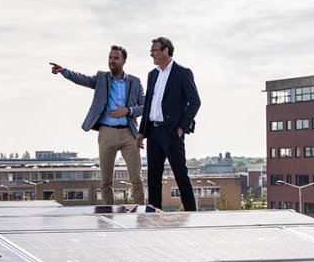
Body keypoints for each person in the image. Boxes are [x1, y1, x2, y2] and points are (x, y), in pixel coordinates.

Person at [49, 46, 146, 205]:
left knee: (136, 178)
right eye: (110, 58)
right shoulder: (102, 78)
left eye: (115, 58)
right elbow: (83, 79)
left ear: (124, 61)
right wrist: (64, 71)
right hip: (107, 133)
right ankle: (109, 216)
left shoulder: (134, 82)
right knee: (106, 180)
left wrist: (128, 110)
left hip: (129, 133)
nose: (112, 61)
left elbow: (144, 106)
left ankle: (142, 216)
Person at [136, 37, 201, 211]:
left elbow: (195, 102)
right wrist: (142, 131)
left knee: (181, 175)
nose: (151, 54)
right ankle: (153, 214)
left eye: (154, 50)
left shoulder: (182, 72)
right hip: (154, 132)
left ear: (166, 51)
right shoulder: (153, 74)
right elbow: (149, 104)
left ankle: (191, 213)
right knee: (153, 177)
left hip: (172, 132)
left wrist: (182, 127)